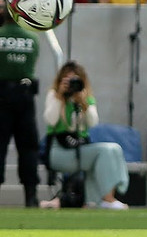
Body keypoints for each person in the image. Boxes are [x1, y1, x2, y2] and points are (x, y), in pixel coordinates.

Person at [43, 61, 130, 210]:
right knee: (106, 151)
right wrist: (60, 97)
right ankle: (108, 200)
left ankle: (91, 202)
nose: (71, 85)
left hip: (80, 148)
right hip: (58, 152)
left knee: (114, 149)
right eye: (67, 80)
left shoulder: (86, 99)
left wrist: (83, 103)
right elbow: (50, 120)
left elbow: (93, 122)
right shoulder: (54, 95)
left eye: (75, 80)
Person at [0, 9, 40, 207]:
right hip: (25, 96)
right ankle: (31, 197)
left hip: (1, 96)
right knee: (28, 148)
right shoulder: (33, 39)